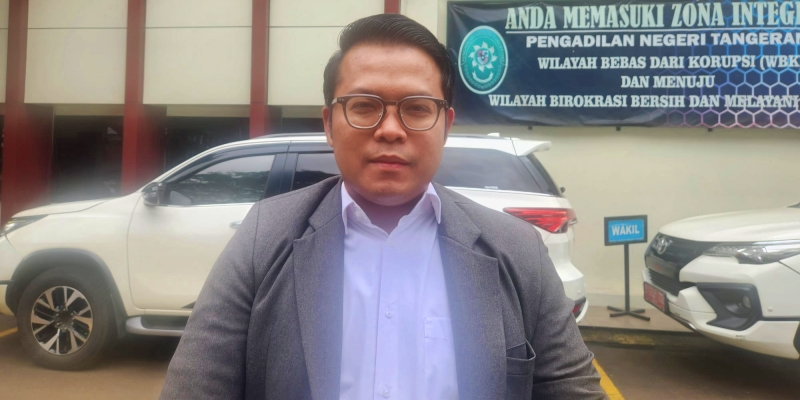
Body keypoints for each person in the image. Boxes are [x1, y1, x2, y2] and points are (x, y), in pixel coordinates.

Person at [160, 14, 603, 400]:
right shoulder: (263, 239)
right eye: (364, 106)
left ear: (445, 125)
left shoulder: (517, 249)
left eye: (417, 108)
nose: (390, 129)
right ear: (329, 124)